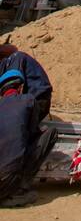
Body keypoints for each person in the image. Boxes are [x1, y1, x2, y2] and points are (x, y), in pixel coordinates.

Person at [0, 57, 56, 208]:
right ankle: (18, 190)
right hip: (6, 180)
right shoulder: (28, 100)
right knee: (50, 133)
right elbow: (32, 133)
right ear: (21, 87)